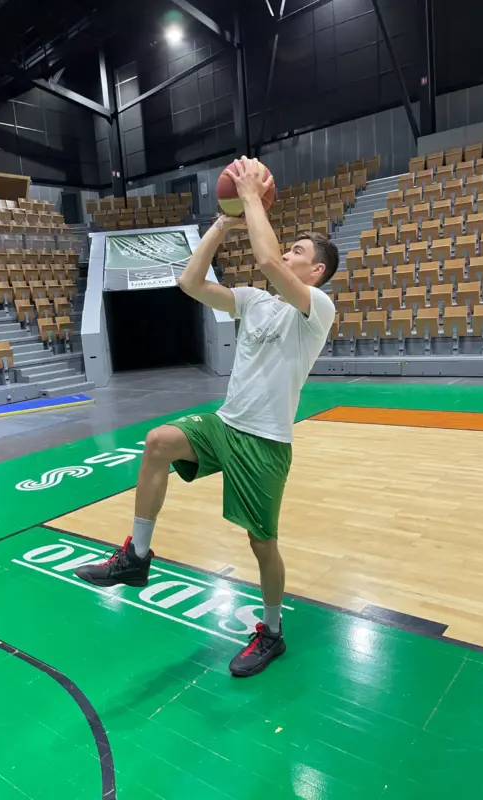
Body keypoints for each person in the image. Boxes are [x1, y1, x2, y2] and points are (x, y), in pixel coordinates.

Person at [76, 156, 339, 677]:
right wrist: (221, 224)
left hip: (265, 442)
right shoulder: (255, 301)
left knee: (262, 544)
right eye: (290, 246)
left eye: (299, 252)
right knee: (158, 441)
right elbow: (190, 282)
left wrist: (249, 196)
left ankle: (272, 633)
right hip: (226, 424)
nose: (288, 253)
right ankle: (137, 557)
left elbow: (268, 261)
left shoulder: (317, 309)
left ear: (316, 272)